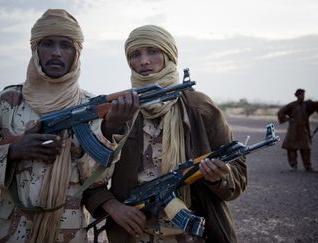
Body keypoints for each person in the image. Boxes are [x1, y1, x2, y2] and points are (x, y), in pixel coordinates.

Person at [0, 9, 139, 243]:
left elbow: (95, 181)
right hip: (12, 231)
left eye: (66, 45)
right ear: (35, 49)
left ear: (77, 53)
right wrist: (13, 151)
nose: (56, 53)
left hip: (67, 232)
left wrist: (109, 129)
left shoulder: (91, 107)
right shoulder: (6, 102)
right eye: (47, 44)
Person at [84, 25, 248, 243]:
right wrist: (113, 207)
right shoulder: (120, 109)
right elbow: (87, 176)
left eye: (153, 51)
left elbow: (238, 175)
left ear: (169, 56)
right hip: (133, 236)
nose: (144, 61)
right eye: (135, 54)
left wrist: (220, 176)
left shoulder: (199, 107)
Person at [277, 89, 318, 172]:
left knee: (306, 149)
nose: (302, 97)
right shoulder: (292, 105)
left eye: (303, 95)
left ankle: (308, 166)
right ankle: (294, 165)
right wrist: (287, 119)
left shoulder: (307, 105)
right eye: (301, 95)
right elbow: (281, 112)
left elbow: (317, 104)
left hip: (303, 130)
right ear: (297, 96)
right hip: (293, 131)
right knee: (291, 148)